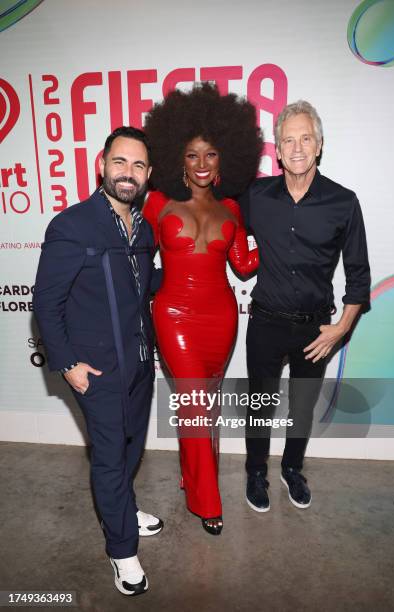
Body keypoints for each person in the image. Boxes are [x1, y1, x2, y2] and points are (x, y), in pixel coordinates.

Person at [33, 127, 163, 597]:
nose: (128, 173)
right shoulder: (72, 225)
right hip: (96, 371)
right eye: (120, 163)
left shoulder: (143, 228)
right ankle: (121, 548)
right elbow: (46, 304)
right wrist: (68, 364)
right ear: (101, 166)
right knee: (110, 458)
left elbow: (143, 286)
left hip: (139, 363)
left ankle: (122, 508)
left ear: (148, 175)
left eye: (138, 166)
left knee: (130, 448)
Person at [143, 83, 263, 535]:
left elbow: (245, 265)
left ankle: (193, 475)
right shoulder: (157, 203)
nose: (201, 164)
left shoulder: (232, 209)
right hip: (173, 316)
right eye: (192, 155)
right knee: (195, 404)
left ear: (224, 158)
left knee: (203, 407)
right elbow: (135, 253)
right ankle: (206, 503)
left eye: (210, 154)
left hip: (221, 319)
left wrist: (265, 230)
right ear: (178, 158)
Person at [240, 100, 370, 512]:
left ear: (319, 146)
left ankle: (292, 468)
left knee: (301, 406)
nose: (297, 148)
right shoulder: (255, 196)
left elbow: (359, 275)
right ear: (276, 150)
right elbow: (214, 221)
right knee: (259, 404)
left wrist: (340, 329)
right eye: (288, 140)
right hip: (265, 323)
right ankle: (256, 472)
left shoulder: (343, 202)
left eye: (305, 138)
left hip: (317, 329)